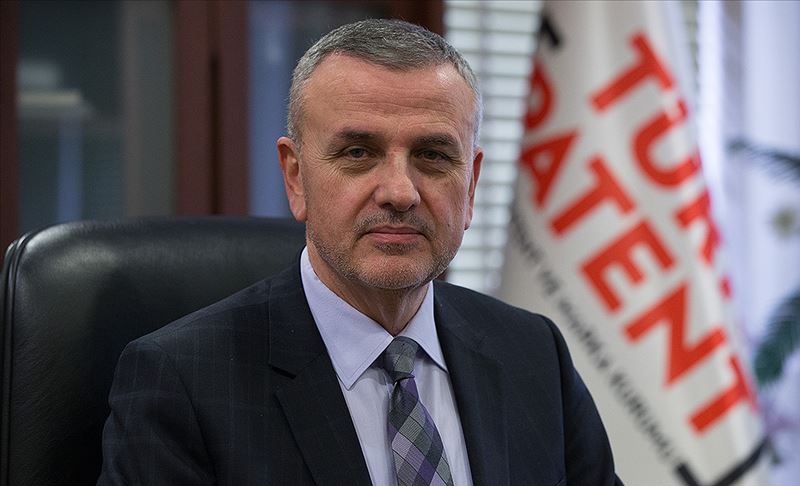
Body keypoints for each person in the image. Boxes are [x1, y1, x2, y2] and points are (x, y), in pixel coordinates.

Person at [98, 19, 622, 486]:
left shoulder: (534, 354)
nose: (400, 192)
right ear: (296, 177)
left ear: (471, 185)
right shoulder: (183, 382)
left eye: (433, 155)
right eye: (358, 153)